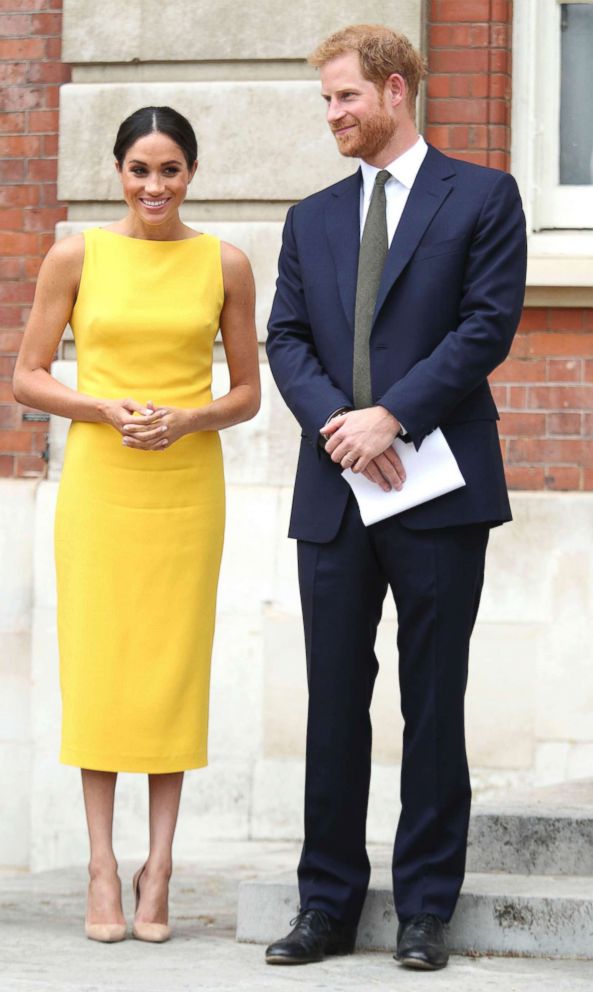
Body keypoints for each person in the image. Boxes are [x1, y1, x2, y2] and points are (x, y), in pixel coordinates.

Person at [265, 24, 526, 971]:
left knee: (432, 699)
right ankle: (324, 907)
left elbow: (485, 326)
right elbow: (284, 340)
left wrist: (395, 418)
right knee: (333, 703)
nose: (331, 114)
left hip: (439, 491)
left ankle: (423, 909)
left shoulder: (483, 196)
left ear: (394, 91)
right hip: (335, 492)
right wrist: (343, 424)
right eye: (325, 100)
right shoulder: (311, 217)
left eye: (344, 97)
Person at [13, 106, 260, 944]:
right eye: (139, 170)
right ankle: (100, 867)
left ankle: (158, 868)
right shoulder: (76, 253)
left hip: (185, 491)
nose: (154, 186)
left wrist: (187, 421)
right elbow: (26, 376)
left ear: (192, 173)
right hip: (101, 484)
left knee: (168, 673)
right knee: (103, 671)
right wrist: (99, 406)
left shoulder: (224, 263)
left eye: (171, 170)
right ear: (117, 172)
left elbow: (246, 394)